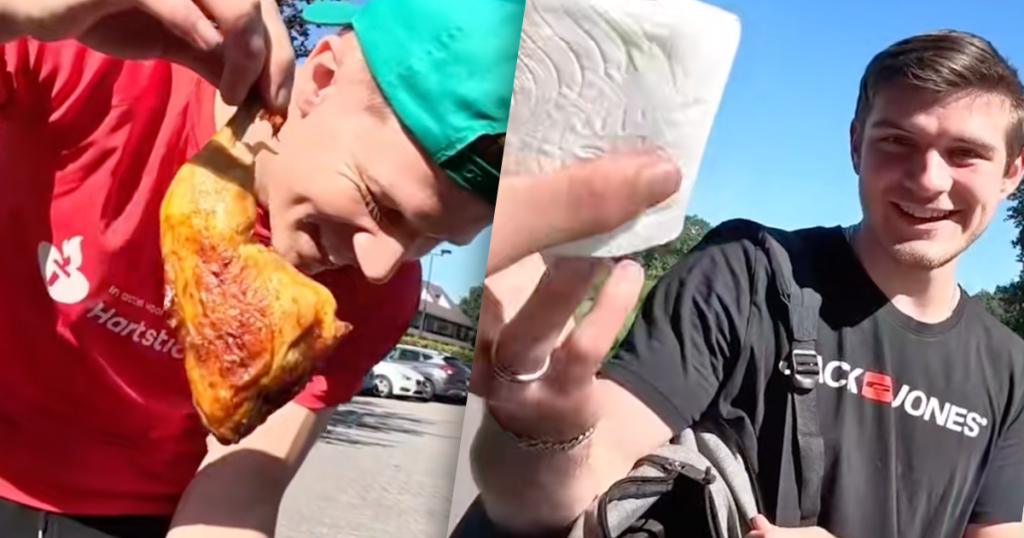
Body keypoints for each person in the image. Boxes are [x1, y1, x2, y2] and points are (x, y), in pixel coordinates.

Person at [0, 0, 528, 536]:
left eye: (434, 239)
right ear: (321, 79)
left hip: (136, 514)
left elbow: (245, 479)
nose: (381, 265)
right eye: (382, 206)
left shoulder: (381, 295)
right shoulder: (97, 63)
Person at [469, 29, 1024, 538]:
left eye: (965, 154)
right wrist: (537, 441)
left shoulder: (1011, 372)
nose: (928, 179)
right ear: (856, 144)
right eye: (898, 141)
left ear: (1011, 173)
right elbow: (572, 486)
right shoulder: (743, 272)